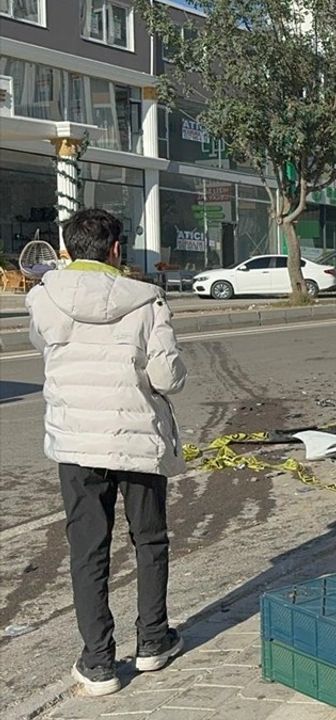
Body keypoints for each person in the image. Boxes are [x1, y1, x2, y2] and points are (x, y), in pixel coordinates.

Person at [26, 209, 187, 696]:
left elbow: (42, 347)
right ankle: (154, 642)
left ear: (69, 251)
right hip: (135, 438)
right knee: (150, 540)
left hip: (76, 442)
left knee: (87, 551)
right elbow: (167, 378)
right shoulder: (146, 300)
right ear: (116, 250)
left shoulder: (43, 299)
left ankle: (98, 664)